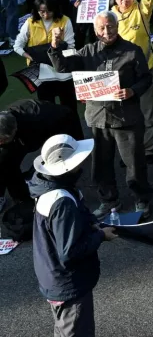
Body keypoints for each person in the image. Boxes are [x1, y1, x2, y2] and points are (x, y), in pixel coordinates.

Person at [48, 11, 153, 219]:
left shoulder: (132, 51)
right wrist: (54, 45)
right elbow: (61, 67)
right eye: (102, 28)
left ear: (117, 26)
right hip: (98, 117)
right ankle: (108, 201)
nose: (107, 31)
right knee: (101, 165)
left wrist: (132, 91)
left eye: (111, 26)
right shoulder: (87, 51)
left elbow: (146, 79)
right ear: (96, 31)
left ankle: (142, 200)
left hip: (126, 118)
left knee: (134, 163)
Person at [29, 134, 117, 337]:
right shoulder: (63, 202)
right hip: (69, 284)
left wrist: (90, 223)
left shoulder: (47, 188)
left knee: (64, 329)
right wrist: (101, 236)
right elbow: (70, 251)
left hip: (52, 277)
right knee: (76, 331)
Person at [110, 0, 153, 164]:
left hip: (145, 70)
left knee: (149, 112)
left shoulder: (142, 10)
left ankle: (149, 149)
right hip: (120, 75)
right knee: (125, 117)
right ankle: (127, 152)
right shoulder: (108, 18)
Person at [0, 100, 82, 208]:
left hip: (60, 124)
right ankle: (22, 199)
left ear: (15, 131)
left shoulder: (39, 120)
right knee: (6, 163)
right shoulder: (6, 126)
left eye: (2, 140)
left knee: (57, 160)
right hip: (26, 130)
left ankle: (65, 189)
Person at [14, 0, 76, 106]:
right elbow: (17, 46)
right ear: (37, 10)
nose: (46, 15)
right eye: (42, 12)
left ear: (55, 9)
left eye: (49, 11)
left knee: (69, 106)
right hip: (41, 73)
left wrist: (58, 48)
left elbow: (71, 46)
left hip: (63, 71)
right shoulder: (30, 22)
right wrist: (31, 57)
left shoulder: (65, 21)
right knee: (46, 107)